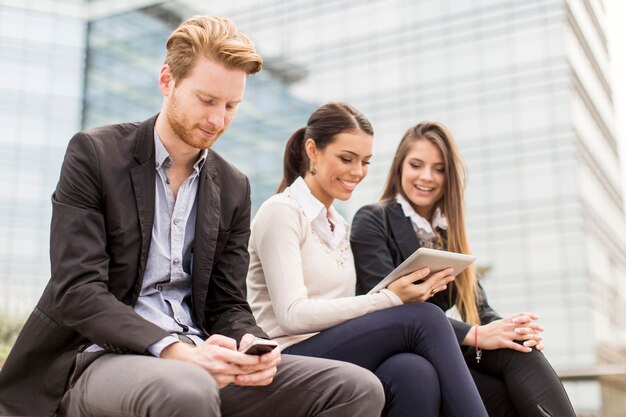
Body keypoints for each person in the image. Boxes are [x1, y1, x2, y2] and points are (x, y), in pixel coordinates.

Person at [0, 16, 386, 417]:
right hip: (97, 357)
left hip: (199, 356)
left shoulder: (234, 186)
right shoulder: (94, 155)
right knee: (188, 389)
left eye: (231, 106)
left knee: (357, 388)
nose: (218, 120)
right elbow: (78, 292)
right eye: (207, 100)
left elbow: (228, 304)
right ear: (167, 81)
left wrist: (253, 344)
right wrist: (173, 350)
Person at [246, 102, 490, 417]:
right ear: (312, 151)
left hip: (328, 348)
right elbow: (293, 315)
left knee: (413, 371)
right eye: (347, 159)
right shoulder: (281, 212)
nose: (357, 172)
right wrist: (390, 298)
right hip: (285, 357)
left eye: (365, 162)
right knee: (425, 318)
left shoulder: (339, 223)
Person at [350, 121, 577, 417]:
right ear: (399, 168)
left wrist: (514, 328)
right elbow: (382, 305)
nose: (426, 177)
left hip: (446, 348)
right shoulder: (373, 220)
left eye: (439, 168)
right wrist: (477, 334)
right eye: (416, 165)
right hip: (400, 351)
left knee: (520, 348)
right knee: (503, 396)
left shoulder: (449, 232)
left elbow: (479, 309)